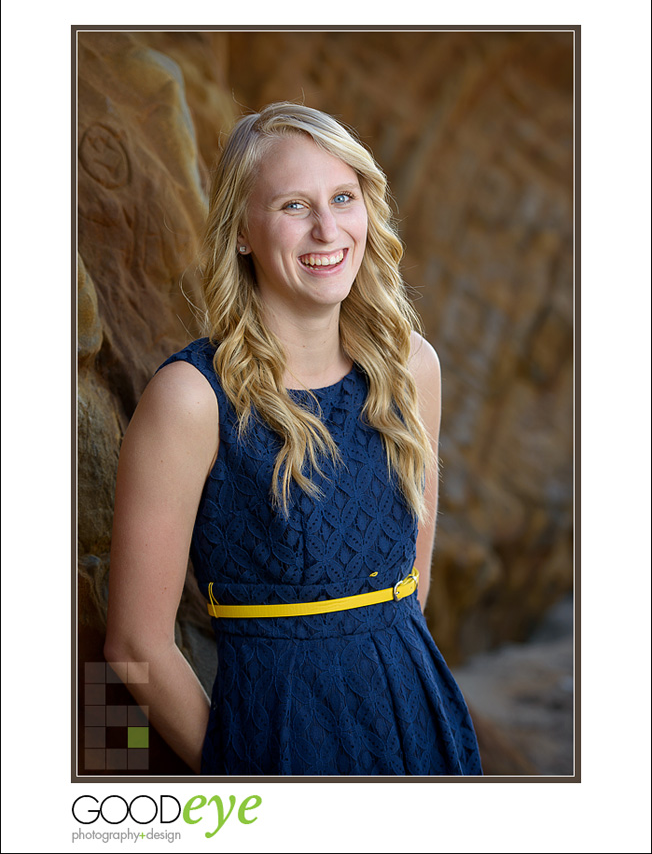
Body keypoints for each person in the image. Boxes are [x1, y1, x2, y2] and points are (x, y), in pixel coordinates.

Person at [104, 102, 482, 776]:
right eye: (293, 206)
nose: (328, 229)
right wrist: (240, 767)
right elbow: (135, 644)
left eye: (344, 197)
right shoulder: (192, 399)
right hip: (276, 739)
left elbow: (407, 589)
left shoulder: (410, 368)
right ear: (243, 232)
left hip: (419, 725)